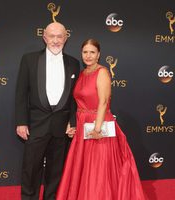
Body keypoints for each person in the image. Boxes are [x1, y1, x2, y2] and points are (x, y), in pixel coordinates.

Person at [56, 39, 146, 200]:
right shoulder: (82, 73)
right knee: (83, 170)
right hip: (83, 123)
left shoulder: (102, 72)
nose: (88, 56)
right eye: (85, 52)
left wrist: (97, 129)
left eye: (92, 52)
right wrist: (75, 125)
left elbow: (103, 102)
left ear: (99, 55)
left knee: (99, 172)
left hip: (99, 124)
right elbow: (77, 103)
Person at [15, 22, 80, 200]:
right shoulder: (29, 59)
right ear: (44, 38)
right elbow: (21, 93)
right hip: (36, 124)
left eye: (60, 36)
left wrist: (73, 122)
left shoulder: (74, 63)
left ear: (66, 38)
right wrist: (21, 121)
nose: (56, 40)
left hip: (61, 126)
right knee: (31, 169)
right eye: (52, 36)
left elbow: (76, 97)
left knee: (56, 171)